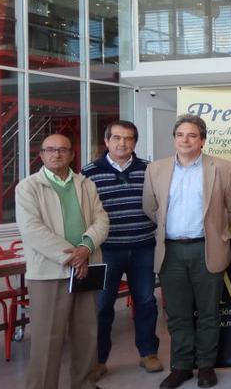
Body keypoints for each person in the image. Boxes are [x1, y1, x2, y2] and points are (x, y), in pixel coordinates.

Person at [142, 114, 231, 389]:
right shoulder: (156, 169)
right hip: (171, 252)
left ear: (202, 140)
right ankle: (182, 366)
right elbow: (150, 208)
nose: (185, 140)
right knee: (177, 314)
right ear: (174, 139)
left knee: (209, 312)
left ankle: (206, 366)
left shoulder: (222, 168)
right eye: (180, 135)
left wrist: (219, 231)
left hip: (206, 249)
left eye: (192, 135)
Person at [15, 133, 109, 389]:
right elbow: (32, 230)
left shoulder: (85, 184)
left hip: (86, 268)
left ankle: (85, 384)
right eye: (50, 149)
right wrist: (74, 255)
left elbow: (101, 220)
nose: (56, 154)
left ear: (71, 154)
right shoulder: (28, 187)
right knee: (47, 339)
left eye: (63, 149)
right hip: (49, 272)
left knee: (86, 335)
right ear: (42, 154)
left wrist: (86, 247)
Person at [82, 121, 161, 382]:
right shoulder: (89, 173)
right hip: (106, 251)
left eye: (128, 139)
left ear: (135, 143)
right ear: (106, 141)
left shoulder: (149, 170)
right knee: (102, 306)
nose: (122, 143)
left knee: (146, 302)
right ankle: (98, 359)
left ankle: (148, 353)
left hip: (142, 246)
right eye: (116, 138)